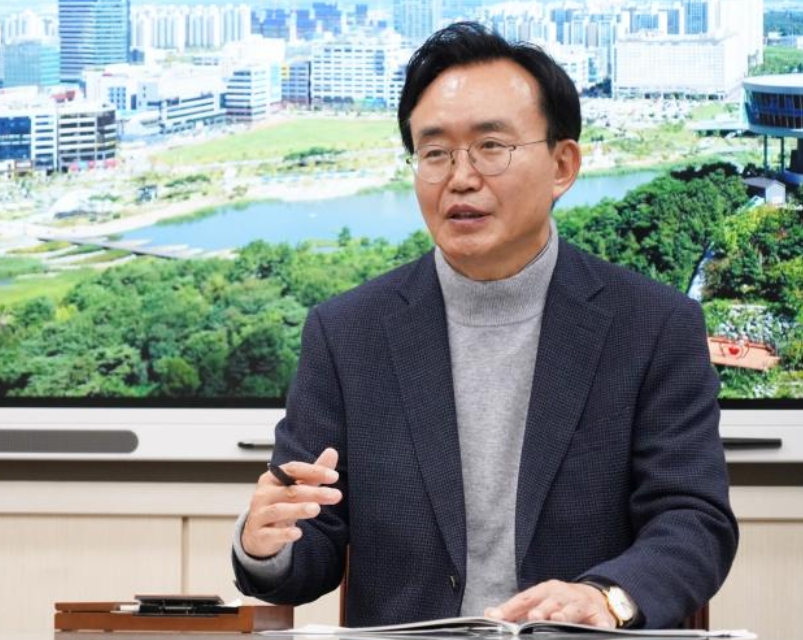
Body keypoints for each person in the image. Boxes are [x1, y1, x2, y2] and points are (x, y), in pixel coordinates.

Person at [232, 22, 738, 630]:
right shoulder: (347, 333)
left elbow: (692, 520)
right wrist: (265, 542)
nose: (461, 177)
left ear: (562, 165)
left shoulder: (653, 326)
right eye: (435, 152)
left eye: (491, 146)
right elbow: (309, 541)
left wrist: (608, 598)